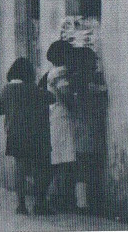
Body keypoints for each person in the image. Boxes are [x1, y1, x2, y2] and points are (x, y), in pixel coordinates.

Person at [0, 57, 53, 215]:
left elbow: (0, 109)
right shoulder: (32, 89)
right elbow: (51, 98)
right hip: (35, 134)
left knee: (20, 170)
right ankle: (39, 204)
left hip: (14, 134)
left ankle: (21, 205)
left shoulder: (6, 89)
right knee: (40, 169)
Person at [70, 47, 107, 215]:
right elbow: (100, 94)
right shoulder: (88, 79)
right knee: (87, 165)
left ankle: (81, 202)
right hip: (88, 126)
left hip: (80, 125)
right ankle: (84, 203)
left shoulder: (75, 78)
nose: (96, 63)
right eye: (93, 59)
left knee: (82, 165)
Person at [42, 40, 77, 212]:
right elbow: (67, 97)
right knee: (64, 160)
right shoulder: (60, 74)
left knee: (58, 160)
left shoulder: (51, 73)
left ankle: (55, 197)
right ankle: (60, 199)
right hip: (61, 118)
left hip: (54, 117)